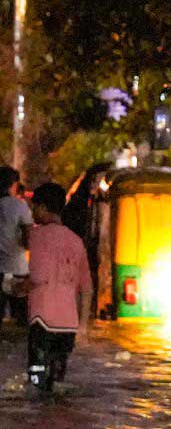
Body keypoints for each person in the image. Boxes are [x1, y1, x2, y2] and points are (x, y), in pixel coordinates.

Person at [23, 183, 91, 392]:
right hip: (68, 324)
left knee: (37, 384)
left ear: (43, 208)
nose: (33, 212)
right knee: (57, 383)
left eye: (34, 207)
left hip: (41, 321)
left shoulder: (37, 236)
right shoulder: (77, 241)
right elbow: (87, 288)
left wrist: (16, 288)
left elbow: (38, 277)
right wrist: (83, 327)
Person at [0, 166, 34, 328]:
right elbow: (29, 240)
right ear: (13, 184)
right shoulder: (19, 206)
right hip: (17, 270)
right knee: (22, 323)